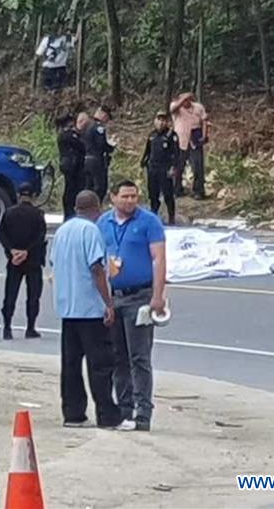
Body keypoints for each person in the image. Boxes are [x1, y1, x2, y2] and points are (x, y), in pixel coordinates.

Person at [96, 180, 168, 433]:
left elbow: (159, 259)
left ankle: (143, 412)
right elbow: (97, 260)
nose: (130, 201)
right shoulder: (103, 223)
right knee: (118, 356)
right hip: (113, 296)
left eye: (134, 197)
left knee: (139, 357)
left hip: (140, 296)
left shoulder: (149, 222)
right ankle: (123, 409)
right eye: (125, 196)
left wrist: (157, 296)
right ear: (113, 198)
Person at [50, 190, 121, 428]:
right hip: (90, 309)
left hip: (67, 308)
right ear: (97, 208)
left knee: (70, 365)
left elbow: (53, 264)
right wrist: (108, 302)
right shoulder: (91, 231)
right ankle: (107, 414)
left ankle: (73, 413)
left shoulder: (61, 231)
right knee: (100, 364)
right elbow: (97, 268)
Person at [0, 183, 47, 340]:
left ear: (19, 195)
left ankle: (7, 328)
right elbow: (40, 236)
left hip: (14, 260)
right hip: (33, 259)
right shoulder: (38, 214)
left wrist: (12, 250)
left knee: (10, 294)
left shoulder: (9, 213)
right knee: (33, 296)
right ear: (33, 196)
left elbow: (1, 233)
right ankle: (30, 327)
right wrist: (27, 251)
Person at [141, 111, 180, 224]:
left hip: (165, 167)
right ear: (155, 121)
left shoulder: (171, 135)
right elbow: (147, 151)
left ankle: (171, 217)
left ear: (167, 122)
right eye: (159, 120)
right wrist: (143, 162)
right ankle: (153, 215)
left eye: (164, 120)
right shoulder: (152, 135)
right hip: (153, 168)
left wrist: (174, 167)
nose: (161, 123)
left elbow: (176, 153)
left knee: (168, 194)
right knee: (153, 193)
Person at [170, 92, 209, 200]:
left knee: (198, 165)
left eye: (188, 100)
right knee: (178, 165)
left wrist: (204, 135)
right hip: (180, 138)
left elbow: (204, 121)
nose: (186, 102)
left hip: (195, 136)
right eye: (184, 100)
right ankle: (177, 189)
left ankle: (198, 190)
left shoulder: (198, 107)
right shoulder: (175, 106)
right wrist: (182, 99)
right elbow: (173, 110)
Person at [79, 106, 115, 203]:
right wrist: (111, 146)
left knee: (88, 186)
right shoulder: (99, 128)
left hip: (86, 159)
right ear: (103, 115)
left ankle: (86, 206)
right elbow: (101, 145)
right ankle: (96, 207)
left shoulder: (87, 126)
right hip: (97, 161)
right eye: (107, 117)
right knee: (100, 187)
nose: (107, 120)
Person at [57, 111, 86, 220]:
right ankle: (69, 212)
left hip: (73, 165)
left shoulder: (68, 134)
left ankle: (71, 211)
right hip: (71, 165)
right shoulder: (67, 135)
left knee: (73, 189)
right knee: (71, 189)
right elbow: (81, 145)